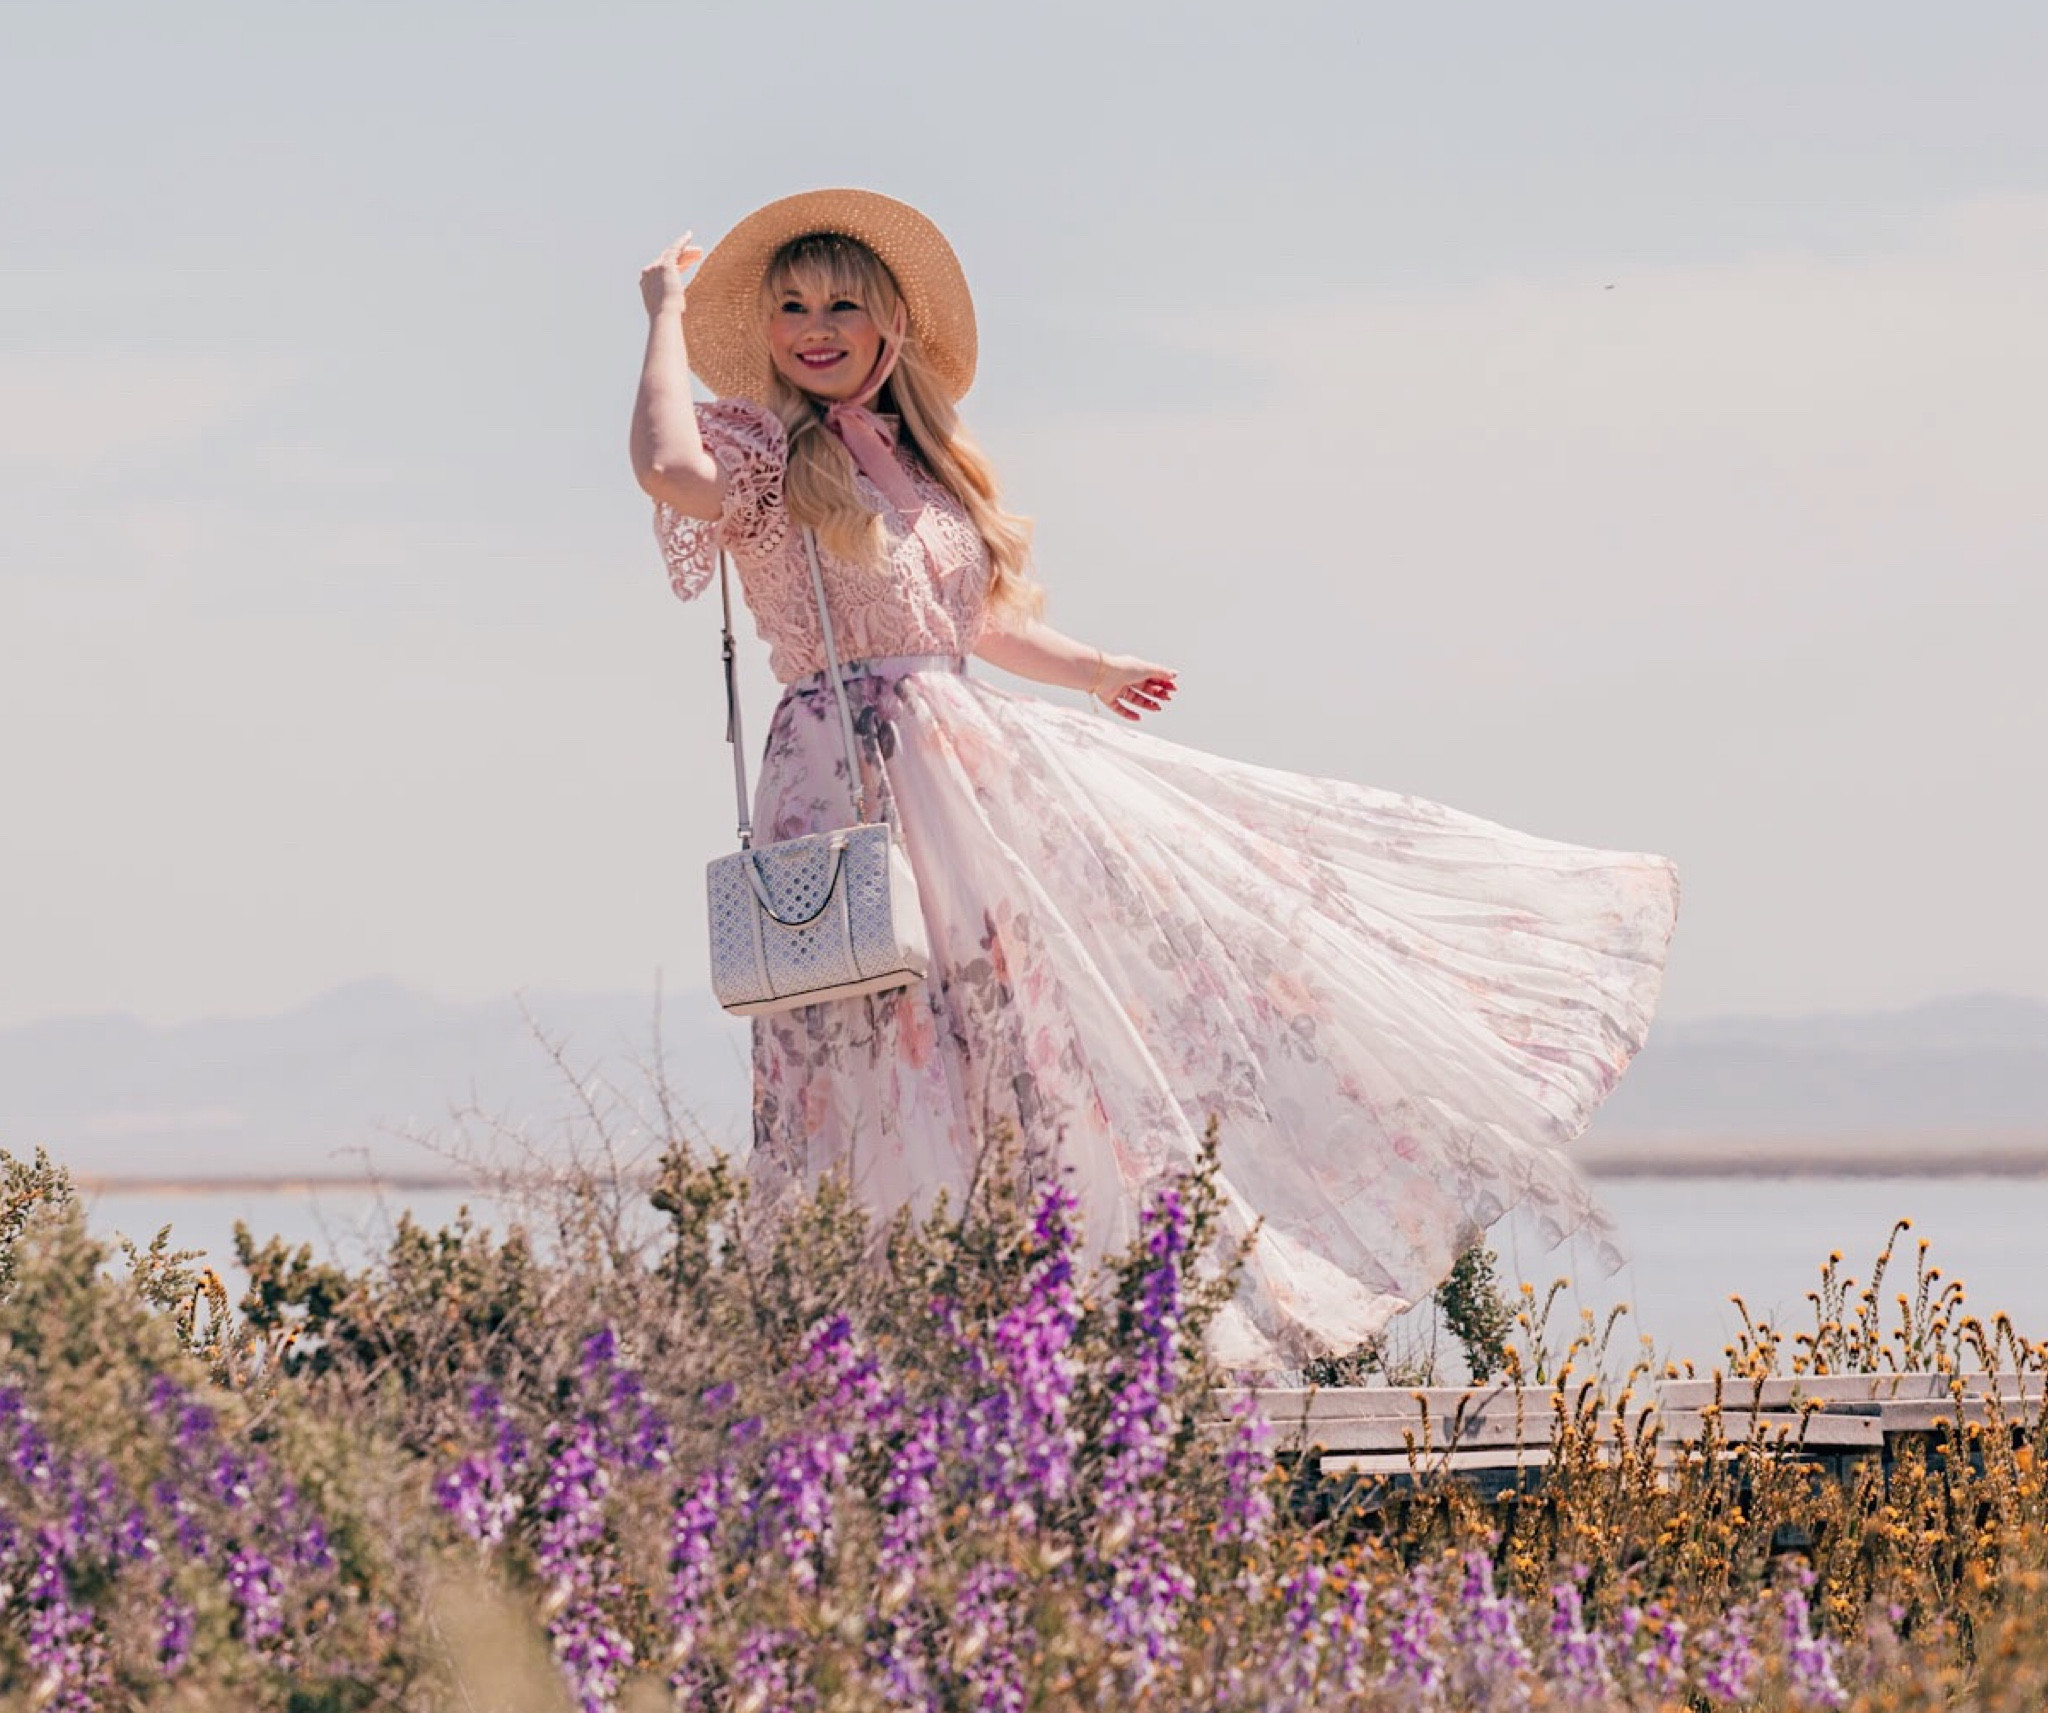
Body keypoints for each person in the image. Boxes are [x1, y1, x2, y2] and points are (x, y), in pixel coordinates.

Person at [629, 188, 1679, 1367]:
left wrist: (1093, 670)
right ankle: (869, 1334)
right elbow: (669, 467)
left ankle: (1040, 1320)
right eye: (788, 305)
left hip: (969, 775)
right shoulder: (768, 458)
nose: (812, 325)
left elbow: (972, 625)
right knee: (874, 1046)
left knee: (1027, 1034)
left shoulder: (925, 474)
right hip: (843, 784)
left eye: (839, 303)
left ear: (890, 326)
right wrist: (665, 316)